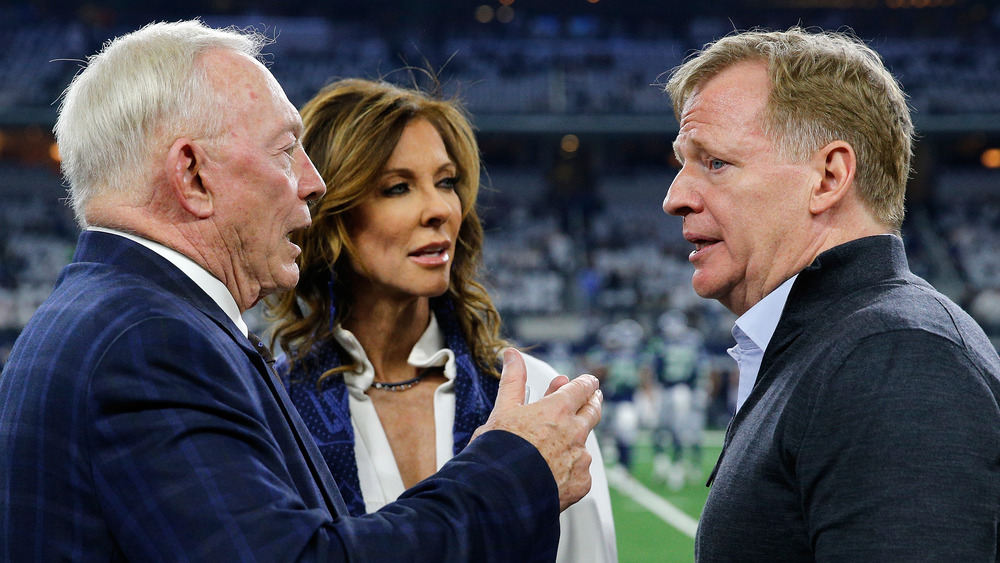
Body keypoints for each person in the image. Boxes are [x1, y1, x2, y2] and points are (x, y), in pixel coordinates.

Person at [0, 20, 603, 561]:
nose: (312, 183)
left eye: (446, 182)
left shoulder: (99, 314)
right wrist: (514, 470)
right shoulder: (149, 342)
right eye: (286, 150)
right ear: (192, 175)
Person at [661, 27, 1000, 561]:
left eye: (714, 162)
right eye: (681, 164)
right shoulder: (842, 342)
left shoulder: (897, 355)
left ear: (827, 176)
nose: (675, 197)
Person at [267, 78, 617, 563]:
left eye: (447, 182)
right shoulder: (273, 407)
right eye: (397, 187)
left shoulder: (535, 396)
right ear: (332, 213)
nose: (439, 209)